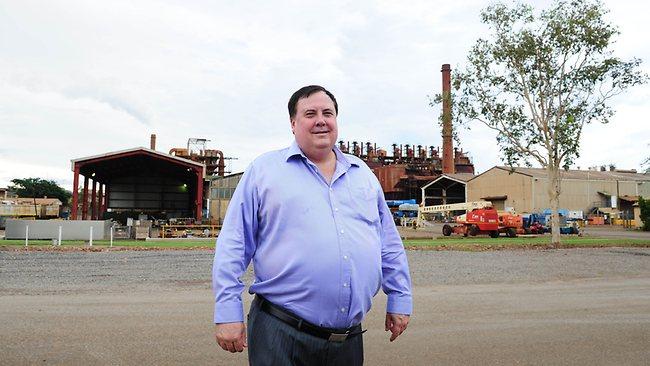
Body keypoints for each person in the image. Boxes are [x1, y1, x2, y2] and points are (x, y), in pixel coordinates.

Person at [212, 85, 413, 365]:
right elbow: (233, 244)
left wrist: (400, 298)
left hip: (347, 341)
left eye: (327, 113)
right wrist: (228, 312)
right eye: (310, 113)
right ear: (293, 124)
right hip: (281, 333)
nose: (321, 119)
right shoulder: (265, 171)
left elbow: (388, 242)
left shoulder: (362, 175)